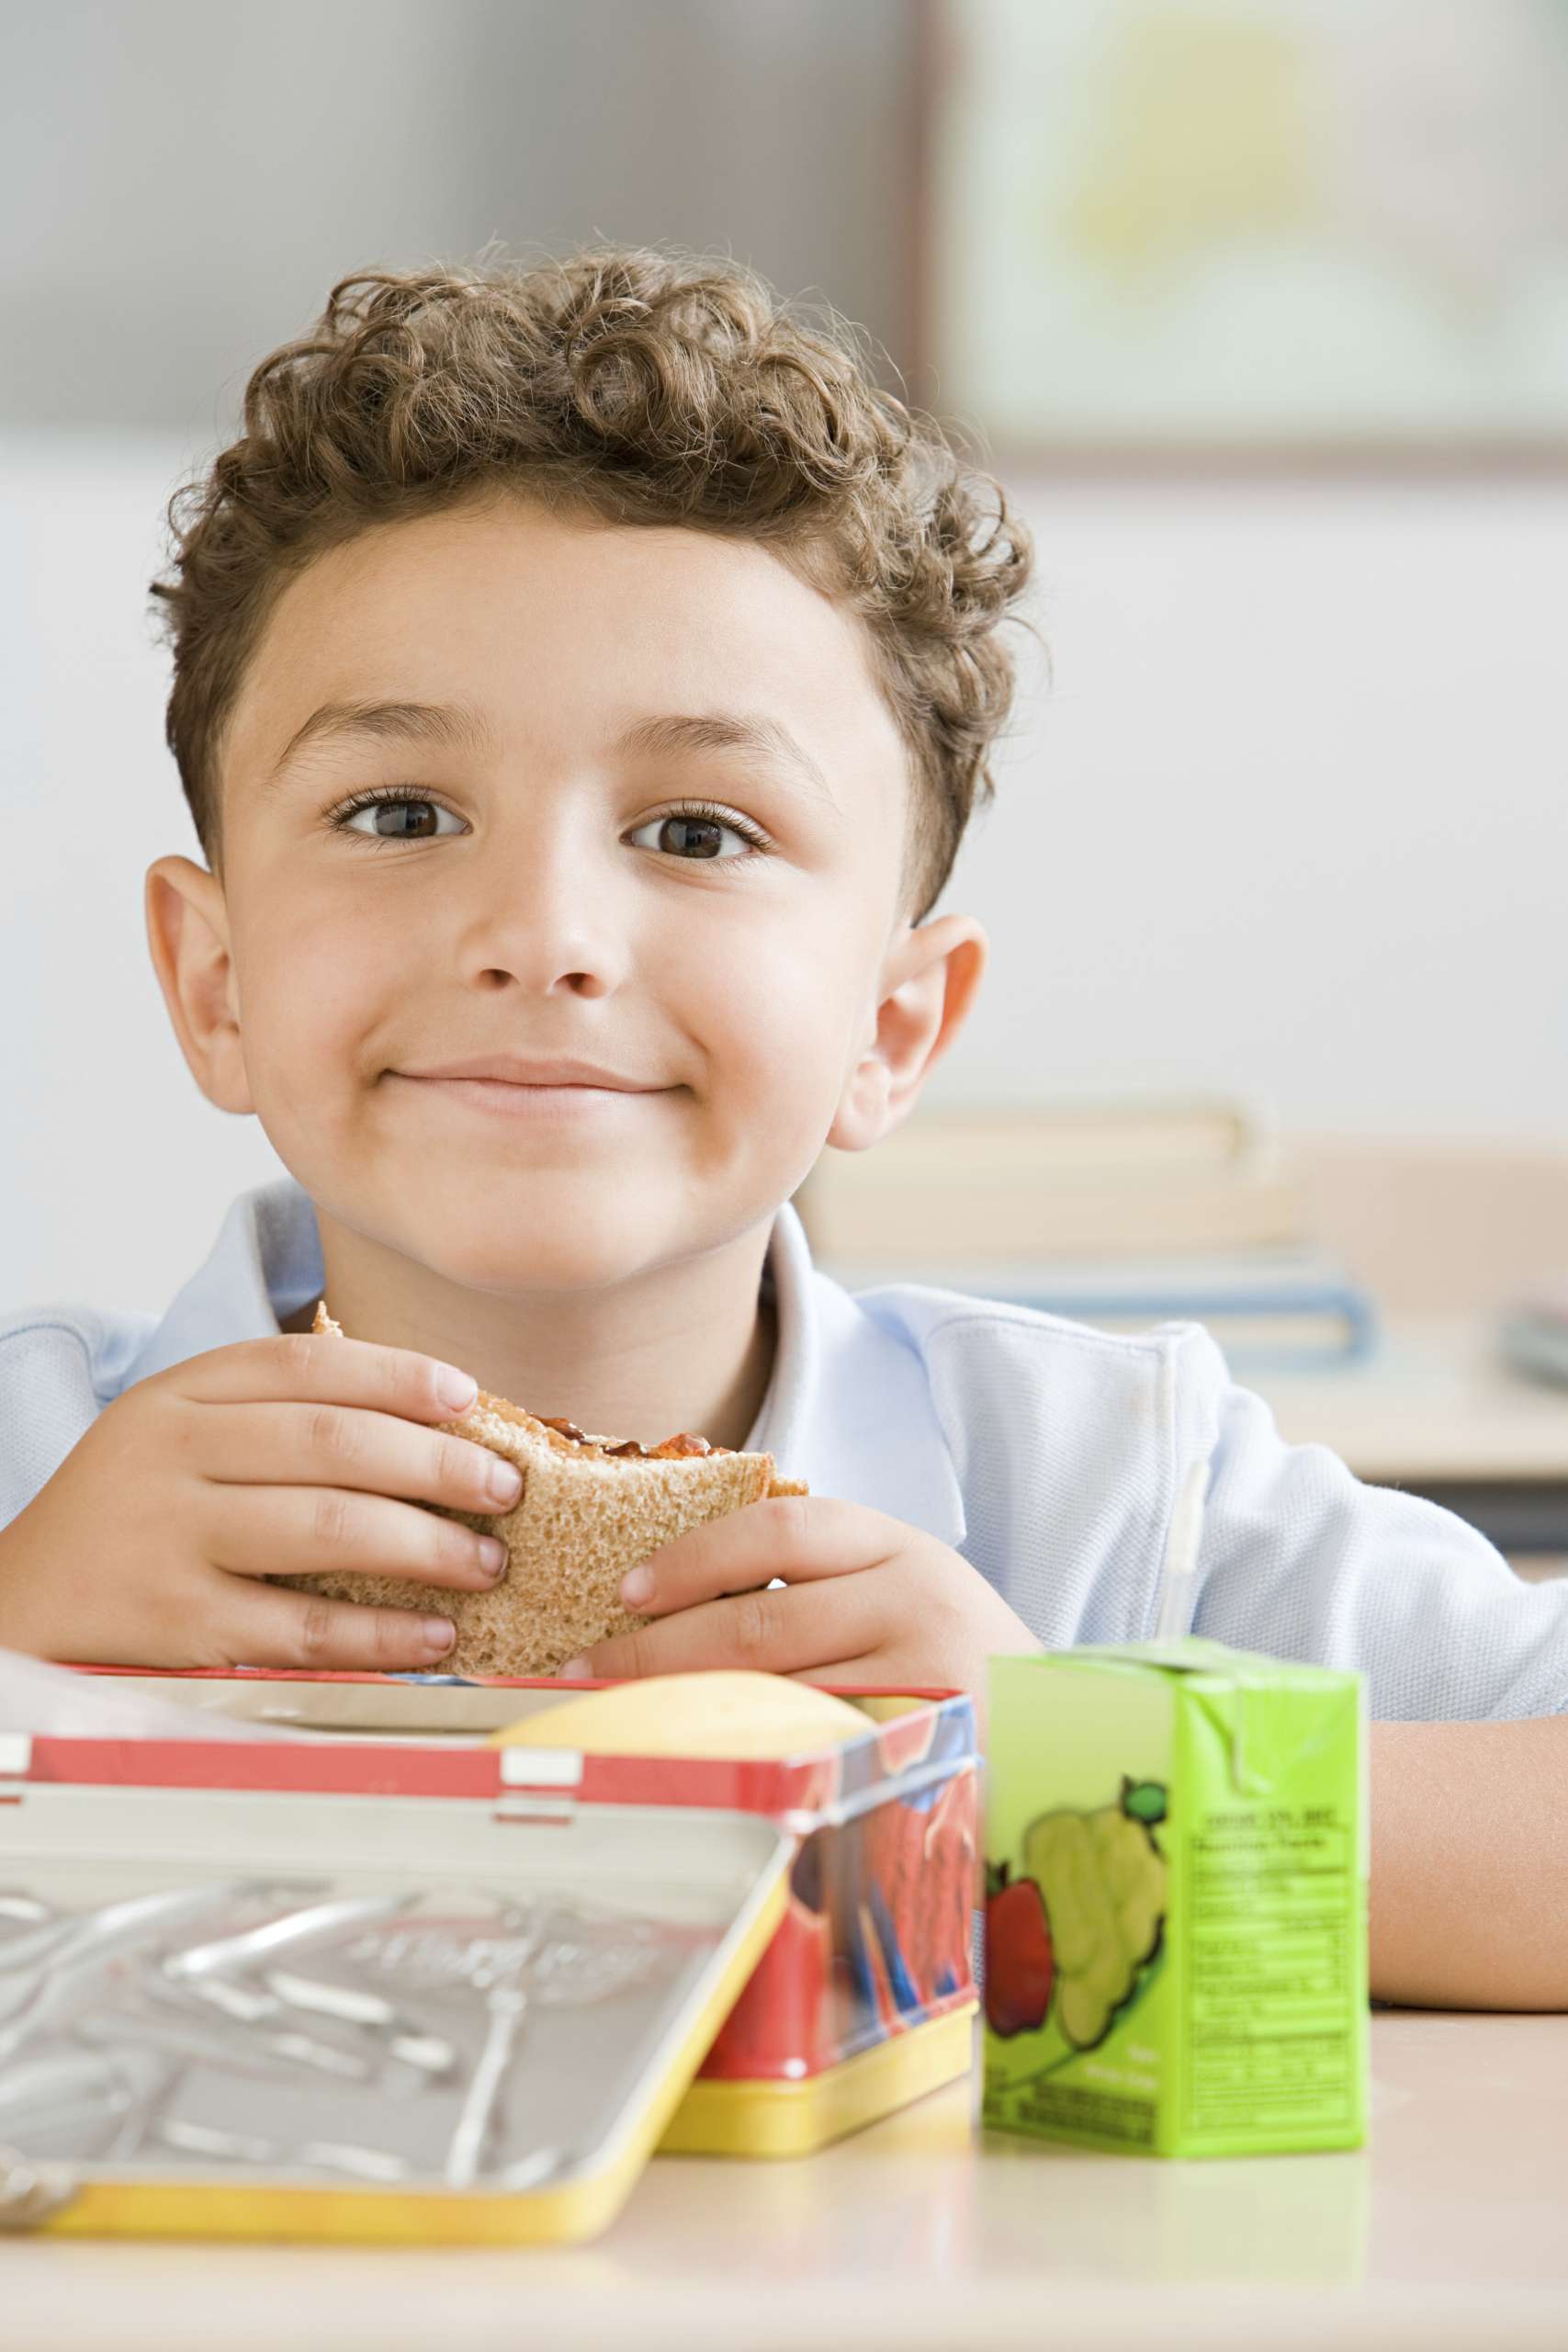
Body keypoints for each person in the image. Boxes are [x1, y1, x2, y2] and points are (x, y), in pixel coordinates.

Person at [2, 248, 1564, 2008]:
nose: (545, 934)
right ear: (212, 981)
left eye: (698, 832)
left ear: (891, 1028)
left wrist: (1074, 1768)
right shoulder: (37, 1463)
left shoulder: (1099, 1498)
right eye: (400, 807)